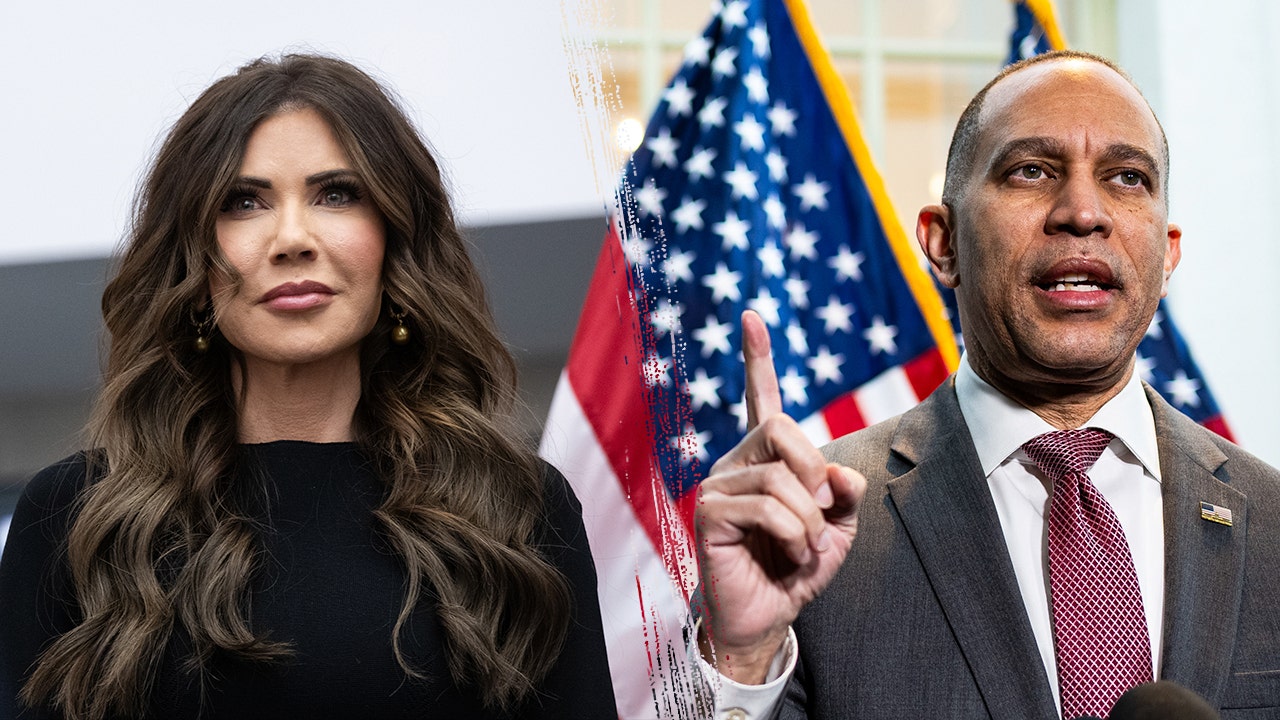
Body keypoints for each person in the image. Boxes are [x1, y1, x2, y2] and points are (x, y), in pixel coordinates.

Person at [0, 54, 616, 719]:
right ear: (193, 263)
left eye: (336, 194)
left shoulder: (516, 507)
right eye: (244, 202)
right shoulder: (75, 518)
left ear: (395, 240)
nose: (292, 239)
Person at [695, 50, 1280, 719]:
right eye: (1031, 170)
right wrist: (742, 659)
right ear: (943, 243)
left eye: (1127, 177)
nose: (1083, 212)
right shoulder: (807, 530)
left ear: (1168, 253)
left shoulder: (1273, 523)